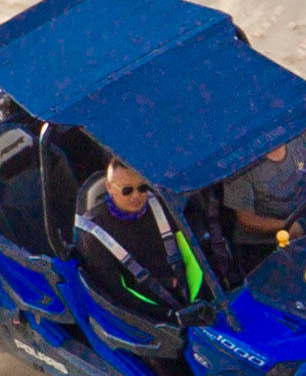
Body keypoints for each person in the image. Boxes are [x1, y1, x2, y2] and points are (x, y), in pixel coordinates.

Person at [73, 151, 214, 352]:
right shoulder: (93, 234)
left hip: (187, 301)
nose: (136, 196)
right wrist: (168, 316)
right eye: (127, 190)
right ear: (109, 188)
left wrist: (196, 298)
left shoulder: (161, 205)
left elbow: (191, 255)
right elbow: (117, 293)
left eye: (142, 188)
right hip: (144, 321)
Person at [215, 126, 306, 252]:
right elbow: (246, 219)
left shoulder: (300, 135)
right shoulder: (241, 168)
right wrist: (283, 226)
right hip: (265, 244)